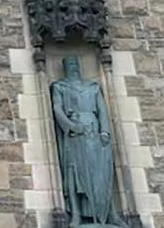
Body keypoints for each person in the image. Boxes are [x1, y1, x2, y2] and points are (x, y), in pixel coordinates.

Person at [51, 56, 125, 227]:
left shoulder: (93, 87)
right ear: (65, 68)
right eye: (70, 64)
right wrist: (70, 126)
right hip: (75, 134)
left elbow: (102, 110)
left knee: (102, 173)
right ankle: (76, 214)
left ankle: (110, 213)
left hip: (94, 132)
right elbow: (57, 108)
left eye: (75, 64)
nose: (74, 67)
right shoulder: (60, 87)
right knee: (73, 172)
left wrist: (104, 131)